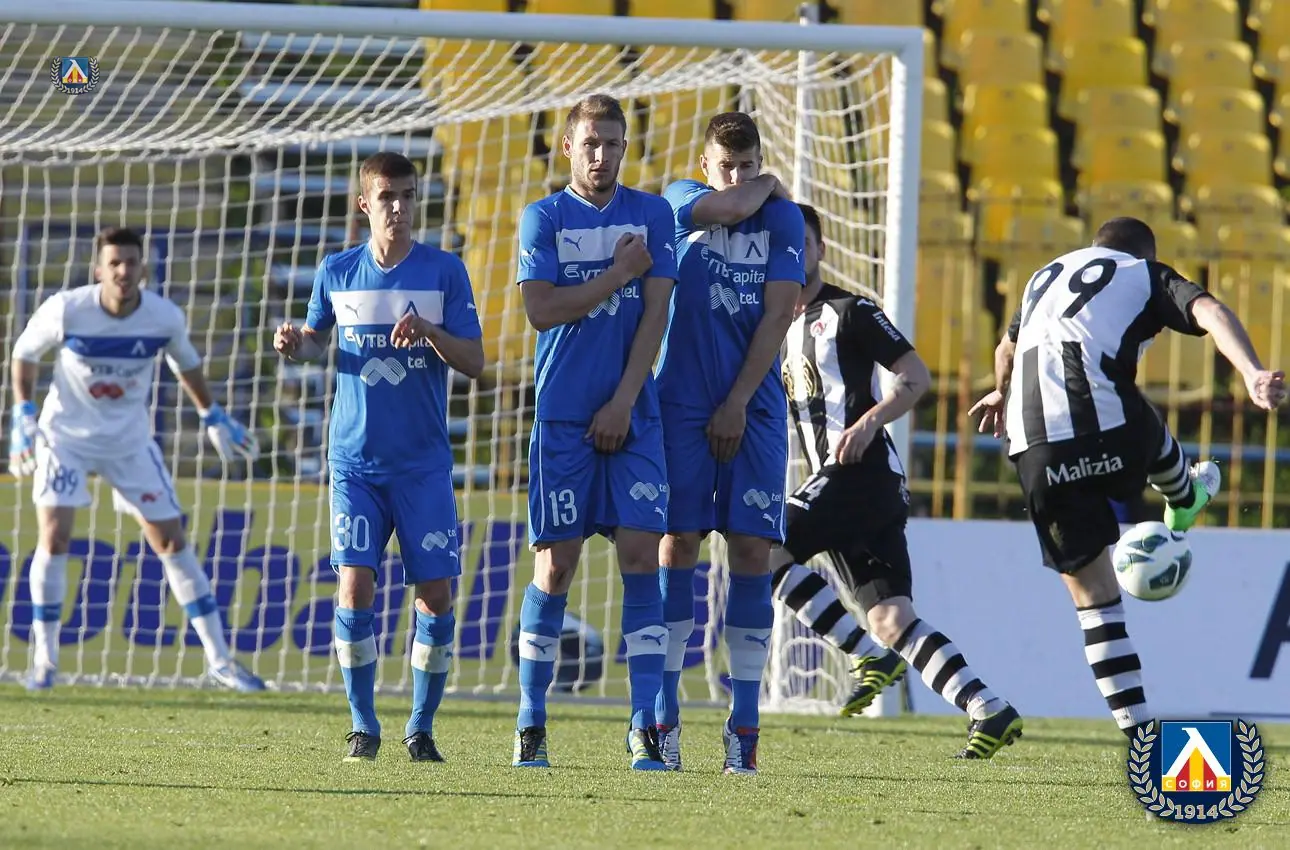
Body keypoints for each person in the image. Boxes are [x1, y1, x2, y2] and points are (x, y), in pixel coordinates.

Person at [970, 217, 1287, 736]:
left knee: (1094, 602)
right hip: (1107, 427)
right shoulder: (1142, 273)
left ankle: (1139, 733)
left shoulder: (1041, 279)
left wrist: (1001, 393)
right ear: (1146, 252)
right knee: (1134, 411)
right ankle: (1183, 494)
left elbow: (1006, 349)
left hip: (1034, 449)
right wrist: (1251, 372)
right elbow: (1211, 311)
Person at [772, 204, 1021, 757]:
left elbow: (915, 376)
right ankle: (988, 707)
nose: (791, 252)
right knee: (890, 618)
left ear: (820, 250)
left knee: (761, 543)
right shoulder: (773, 324)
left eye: (801, 242)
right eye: (781, 243)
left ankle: (866, 656)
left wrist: (867, 423)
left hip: (860, 474)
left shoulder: (851, 311)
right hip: (842, 486)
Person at [273, 151, 485, 762]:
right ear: (365, 203)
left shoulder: (444, 272)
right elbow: (316, 343)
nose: (399, 207)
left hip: (422, 466)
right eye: (387, 196)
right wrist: (295, 343)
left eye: (408, 196)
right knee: (354, 585)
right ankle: (363, 726)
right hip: (355, 464)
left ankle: (420, 728)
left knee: (435, 596)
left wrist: (432, 333)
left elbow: (475, 362)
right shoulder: (337, 270)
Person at [8, 226, 264, 693]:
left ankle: (221, 661)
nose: (123, 271)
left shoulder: (163, 317)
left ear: (143, 267)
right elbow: (24, 353)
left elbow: (185, 363)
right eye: (115, 263)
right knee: (55, 535)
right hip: (66, 438)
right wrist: (23, 413)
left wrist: (211, 414)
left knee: (170, 540)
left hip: (129, 443)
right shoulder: (68, 309)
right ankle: (45, 661)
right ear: (98, 270)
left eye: (131, 262)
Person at [511, 94, 677, 771]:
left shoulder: (654, 214)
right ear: (568, 148)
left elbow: (656, 315)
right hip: (562, 415)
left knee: (641, 557)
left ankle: (644, 729)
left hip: (633, 415)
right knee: (556, 566)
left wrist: (624, 402)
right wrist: (616, 274)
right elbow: (542, 310)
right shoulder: (544, 217)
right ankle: (531, 723)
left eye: (611, 143)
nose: (601, 155)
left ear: (625, 148)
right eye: (589, 143)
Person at [654, 112, 805, 774]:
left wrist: (738, 402)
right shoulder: (680, 200)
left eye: (748, 166)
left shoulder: (784, 221)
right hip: (680, 403)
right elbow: (734, 205)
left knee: (750, 549)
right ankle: (662, 716)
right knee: (678, 543)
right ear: (704, 166)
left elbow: (778, 314)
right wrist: (763, 183)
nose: (737, 177)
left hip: (755, 407)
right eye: (726, 166)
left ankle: (744, 724)